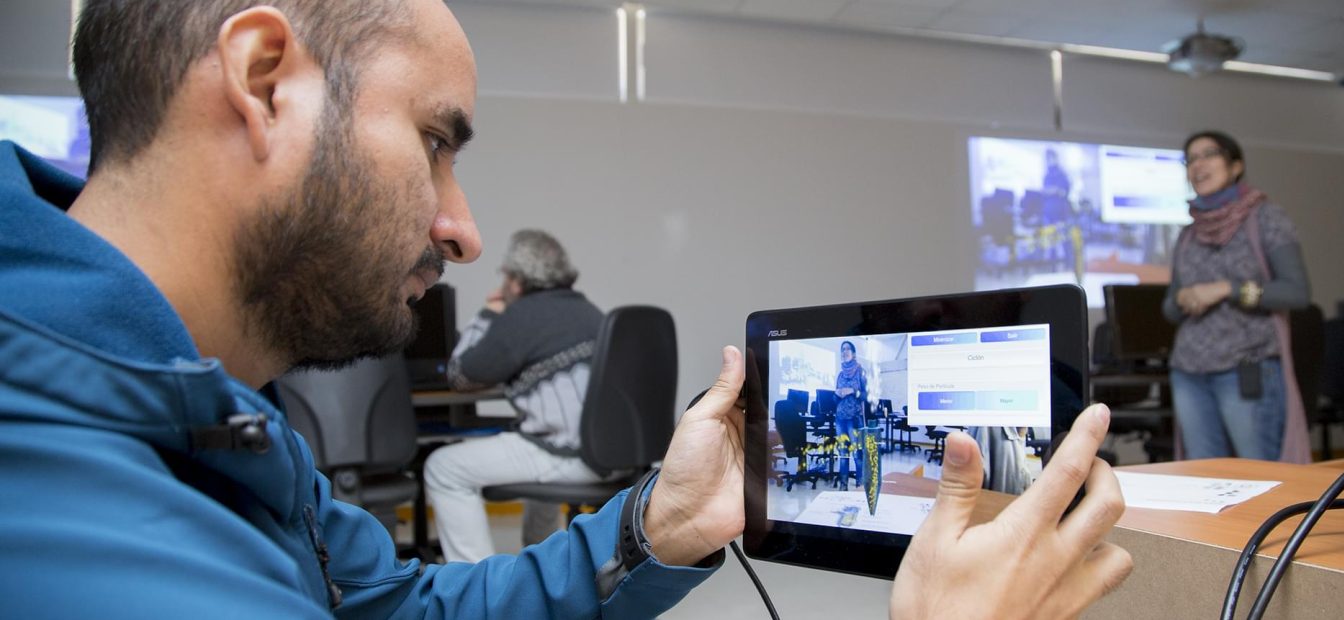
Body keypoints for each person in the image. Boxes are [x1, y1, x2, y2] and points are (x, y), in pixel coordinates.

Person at [0, 1, 1131, 617]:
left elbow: (399, 609)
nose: (461, 227)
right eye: (437, 142)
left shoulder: (215, 418)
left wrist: (653, 529)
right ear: (260, 81)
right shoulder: (60, 509)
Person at [426, 229, 606, 562]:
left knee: (442, 468)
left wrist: (488, 314)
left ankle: (477, 586)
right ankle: (543, 564)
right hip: (610, 454)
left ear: (517, 280)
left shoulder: (521, 317)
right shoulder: (590, 312)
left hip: (567, 454)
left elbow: (461, 375)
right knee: (532, 446)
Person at [1163, 130, 1312, 462]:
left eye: (1209, 154)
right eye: (1191, 159)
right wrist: (1183, 298)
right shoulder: (1188, 233)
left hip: (1248, 368)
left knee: (1260, 475)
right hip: (1189, 371)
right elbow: (1169, 309)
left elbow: (1297, 293)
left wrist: (1227, 289)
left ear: (1235, 166)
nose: (1198, 165)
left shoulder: (1266, 218)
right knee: (1204, 478)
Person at [833, 340, 867, 489]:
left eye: (847, 349)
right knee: (842, 453)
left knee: (856, 453)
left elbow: (867, 395)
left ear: (853, 354)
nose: (844, 351)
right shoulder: (840, 375)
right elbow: (835, 400)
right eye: (842, 349)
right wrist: (837, 394)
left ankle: (860, 484)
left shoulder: (860, 371)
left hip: (854, 418)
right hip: (840, 418)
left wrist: (853, 391)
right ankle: (843, 485)